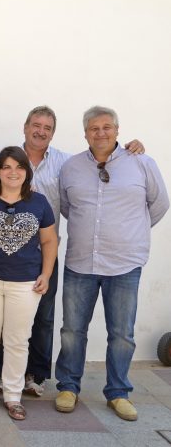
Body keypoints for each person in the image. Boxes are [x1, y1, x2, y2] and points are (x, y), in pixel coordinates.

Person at [16, 106, 143, 398]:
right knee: (11, 317)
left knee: (46, 317)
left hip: (45, 251)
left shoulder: (65, 163)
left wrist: (131, 233)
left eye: (47, 128)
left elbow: (157, 203)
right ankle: (5, 373)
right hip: (10, 252)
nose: (40, 131)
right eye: (36, 125)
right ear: (25, 126)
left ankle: (36, 376)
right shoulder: (10, 158)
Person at [54, 106, 168, 422]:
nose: (100, 133)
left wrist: (131, 234)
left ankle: (118, 393)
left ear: (117, 130)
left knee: (122, 333)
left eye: (107, 127)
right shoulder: (71, 167)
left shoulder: (141, 163)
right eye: (94, 128)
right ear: (85, 133)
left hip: (125, 264)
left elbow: (159, 204)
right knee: (72, 331)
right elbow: (67, 207)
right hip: (81, 262)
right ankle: (68, 386)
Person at [0, 146, 57, 421]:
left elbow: (49, 240)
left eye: (18, 167)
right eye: (6, 167)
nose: (12, 172)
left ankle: (13, 396)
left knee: (18, 340)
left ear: (26, 172)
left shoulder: (39, 202)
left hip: (25, 283)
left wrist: (47, 274)